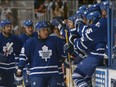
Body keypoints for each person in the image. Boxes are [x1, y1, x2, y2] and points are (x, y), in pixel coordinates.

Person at [15, 21, 67, 87]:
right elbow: (23, 55)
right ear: (38, 31)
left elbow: (64, 52)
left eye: (47, 30)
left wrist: (67, 50)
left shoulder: (55, 40)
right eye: (43, 30)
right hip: (37, 74)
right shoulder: (30, 42)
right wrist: (20, 68)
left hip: (53, 73)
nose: (46, 32)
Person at [69, 2, 107, 86]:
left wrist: (74, 38)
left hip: (97, 55)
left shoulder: (103, 23)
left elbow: (82, 44)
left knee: (77, 75)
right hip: (99, 55)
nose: (84, 21)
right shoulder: (102, 24)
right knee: (86, 78)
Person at [0, 19, 22, 87]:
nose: (9, 28)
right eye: (7, 26)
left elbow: (20, 52)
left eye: (10, 26)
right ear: (3, 28)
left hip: (12, 68)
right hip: (1, 68)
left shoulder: (15, 39)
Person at [18, 20, 37, 87]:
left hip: (36, 63)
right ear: (25, 28)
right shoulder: (21, 38)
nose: (30, 29)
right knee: (28, 83)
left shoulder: (36, 35)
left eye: (31, 27)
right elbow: (19, 52)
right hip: (26, 65)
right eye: (28, 27)